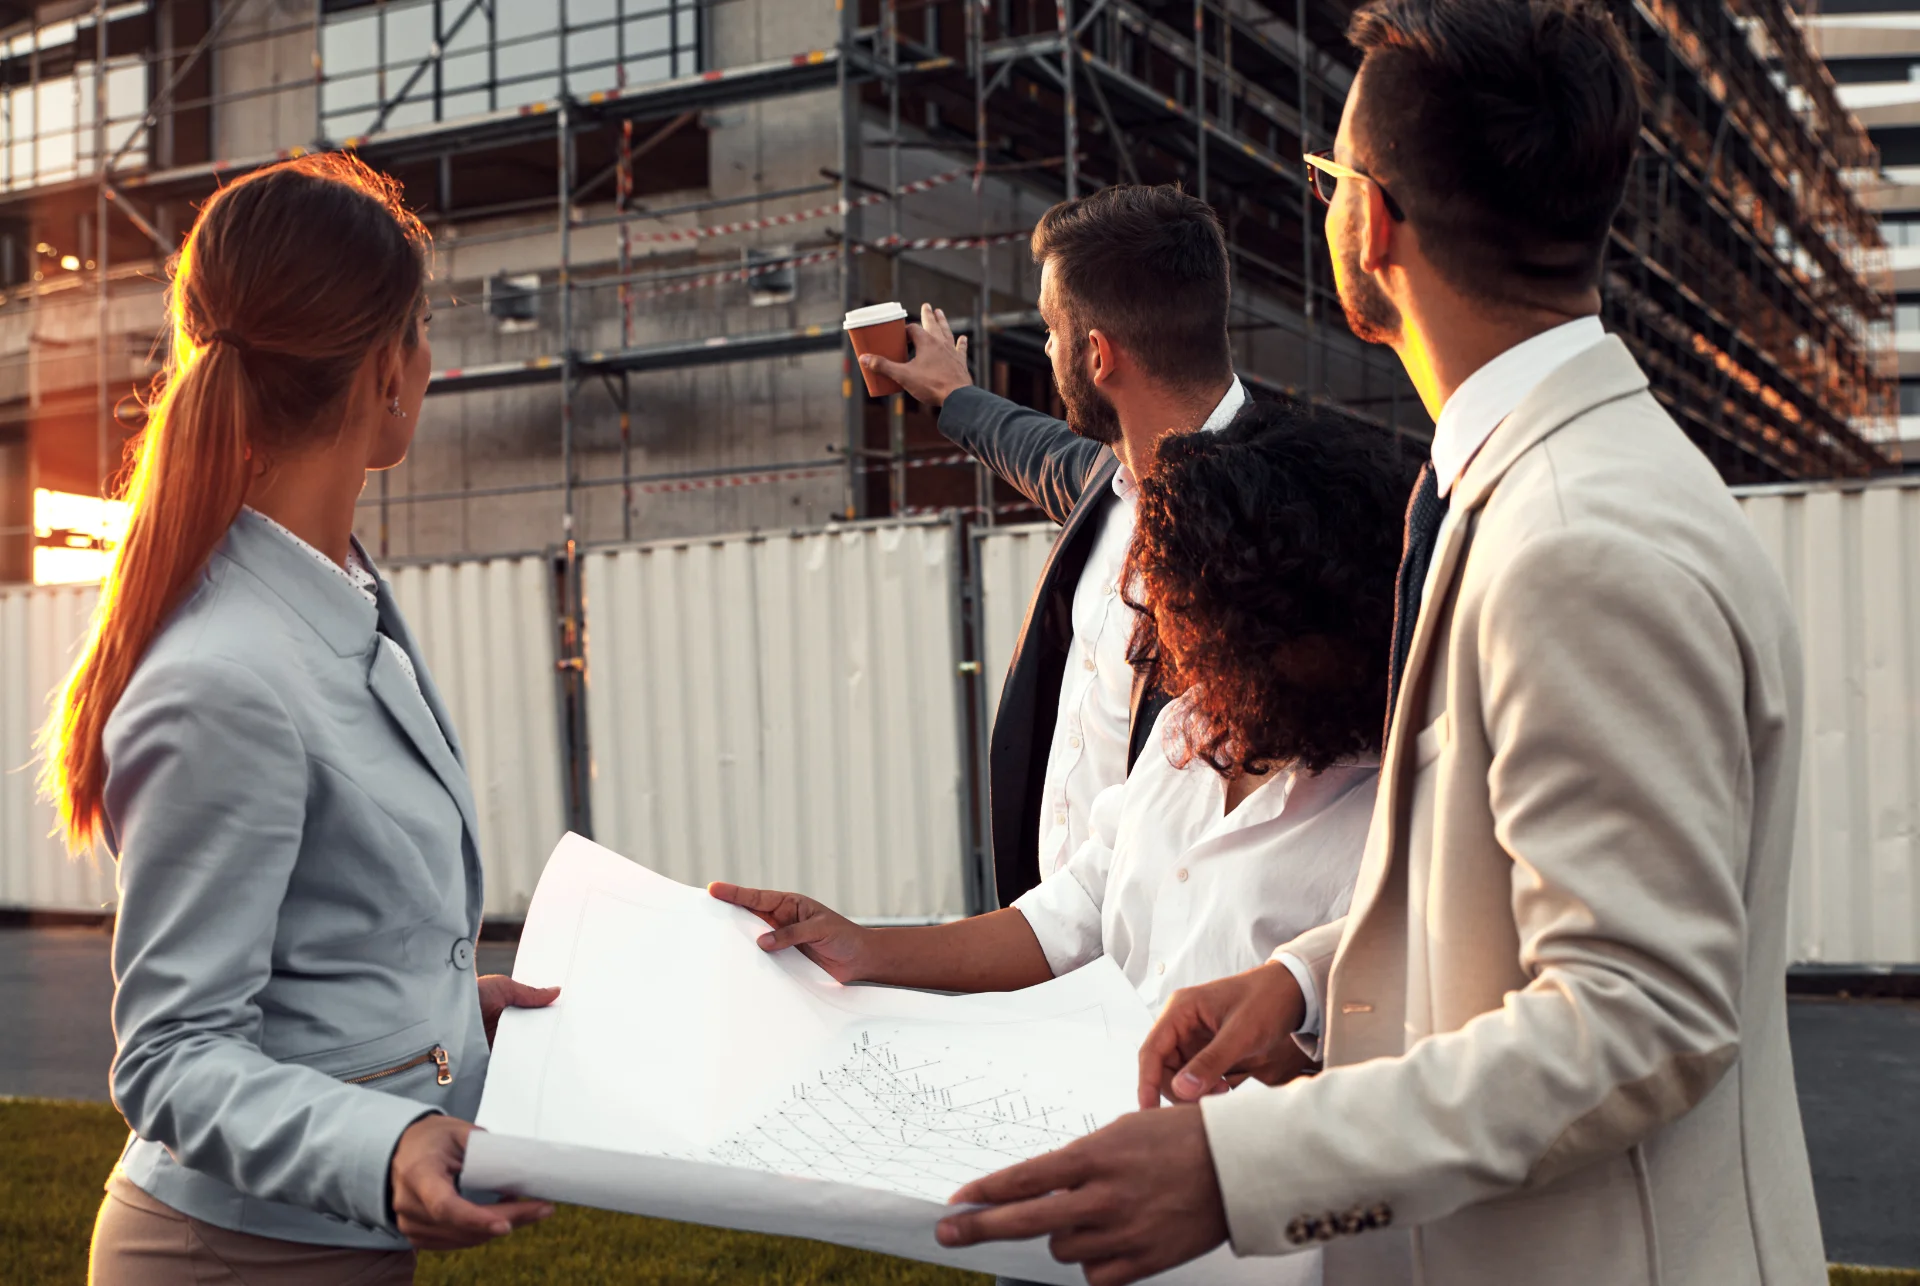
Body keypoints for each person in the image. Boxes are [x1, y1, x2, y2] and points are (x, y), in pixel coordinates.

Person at [931, 1, 1826, 1283]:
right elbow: (1507, 897)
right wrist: (1301, 980)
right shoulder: (1542, 481)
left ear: (1371, 221)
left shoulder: (1576, 538)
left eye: (1328, 175)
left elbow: (1640, 1011)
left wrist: (1241, 1167)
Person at [714, 398, 1415, 1286]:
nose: (1165, 649)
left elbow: (1388, 1048)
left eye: (1191, 619)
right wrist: (865, 949)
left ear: (1283, 634)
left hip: (1247, 1238)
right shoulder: (1189, 732)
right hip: (1095, 1188)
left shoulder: (1402, 805)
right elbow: (1070, 912)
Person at [40, 155, 560, 1285]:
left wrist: (441, 1021)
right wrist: (388, 1145)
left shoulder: (333, 600)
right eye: (423, 330)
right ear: (386, 373)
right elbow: (173, 1054)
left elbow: (315, 938)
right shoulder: (226, 676)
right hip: (234, 1254)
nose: (430, 360)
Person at [860, 184, 1247, 908]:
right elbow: (1033, 447)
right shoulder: (1114, 473)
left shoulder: (1276, 530)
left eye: (1049, 327)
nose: (1044, 348)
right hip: (1057, 942)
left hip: (1176, 957)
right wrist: (954, 396)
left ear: (1097, 355)